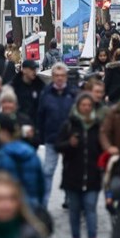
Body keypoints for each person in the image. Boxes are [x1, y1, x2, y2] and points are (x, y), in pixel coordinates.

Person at [55, 93, 104, 238]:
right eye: (83, 105)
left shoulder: (98, 125)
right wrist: (69, 144)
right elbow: (58, 146)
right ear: (78, 107)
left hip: (92, 174)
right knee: (75, 210)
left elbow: (103, 148)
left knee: (90, 207)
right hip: (73, 174)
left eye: (89, 106)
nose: (86, 108)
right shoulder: (69, 125)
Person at [36, 63, 77, 206]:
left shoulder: (72, 93)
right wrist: (40, 136)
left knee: (69, 170)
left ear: (66, 77)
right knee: (48, 171)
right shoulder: (46, 93)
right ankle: (44, 203)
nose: (59, 78)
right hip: (51, 137)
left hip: (68, 139)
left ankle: (68, 198)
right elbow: (40, 115)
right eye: (56, 76)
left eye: (62, 75)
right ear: (52, 77)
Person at [0, 115, 44, 207]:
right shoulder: (32, 156)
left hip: (3, 207)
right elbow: (40, 186)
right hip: (29, 206)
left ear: (4, 132)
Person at [0, 86, 37, 161]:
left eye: (10, 102)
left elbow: (35, 143)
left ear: (15, 104)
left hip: (20, 163)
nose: (7, 105)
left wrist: (31, 138)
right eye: (4, 102)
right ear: (0, 104)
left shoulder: (25, 121)